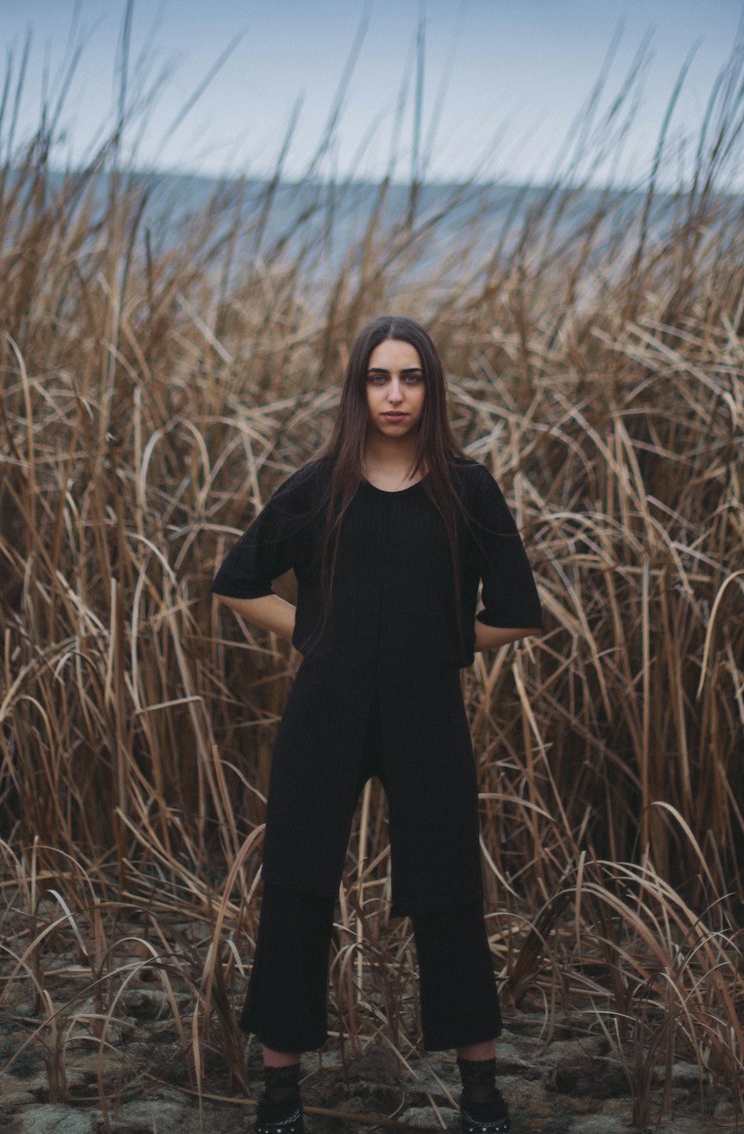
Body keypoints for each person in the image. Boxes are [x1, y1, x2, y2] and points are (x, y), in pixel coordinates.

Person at [211, 315, 542, 1134]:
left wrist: (440, 644)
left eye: (412, 377)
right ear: (358, 388)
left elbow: (520, 611)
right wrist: (319, 636)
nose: (395, 394)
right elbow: (237, 580)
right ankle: (280, 1096)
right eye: (379, 378)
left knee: (448, 891)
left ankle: (481, 1097)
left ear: (431, 388)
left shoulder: (468, 489)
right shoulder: (319, 485)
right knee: (297, 886)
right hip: (325, 709)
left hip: (427, 710)